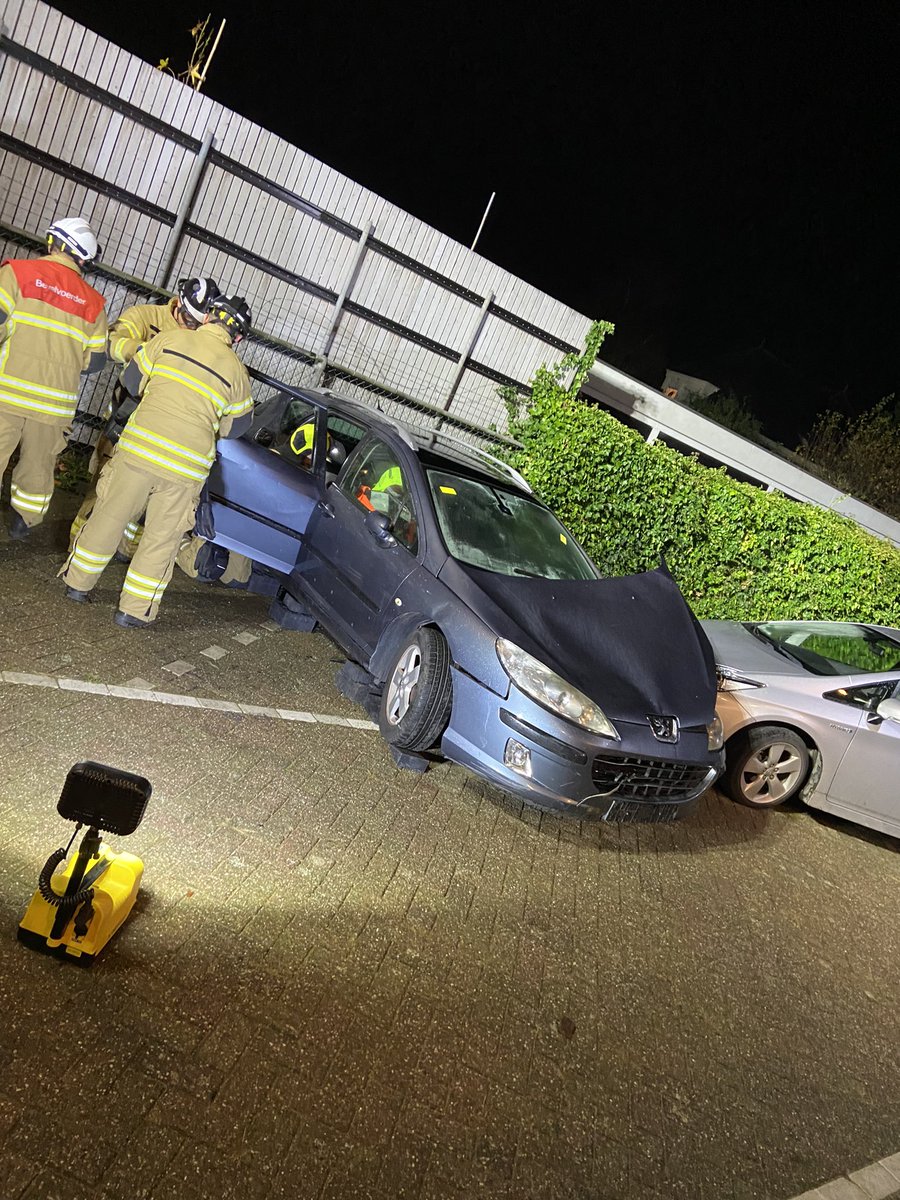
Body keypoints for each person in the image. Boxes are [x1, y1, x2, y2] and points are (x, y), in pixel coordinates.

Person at [59, 294, 254, 627]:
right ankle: (132, 611)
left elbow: (132, 381)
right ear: (237, 338)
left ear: (207, 318)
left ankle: (77, 584)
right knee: (162, 539)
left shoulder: (170, 338)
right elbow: (236, 427)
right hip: (185, 468)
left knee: (109, 517)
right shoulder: (237, 372)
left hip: (140, 450)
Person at [69, 276, 219, 558]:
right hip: (126, 421)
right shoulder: (147, 316)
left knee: (148, 500)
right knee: (104, 490)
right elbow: (112, 341)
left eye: (198, 322)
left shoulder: (203, 338)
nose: (190, 324)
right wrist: (145, 352)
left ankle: (125, 549)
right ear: (178, 303)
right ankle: (79, 545)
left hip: (165, 431)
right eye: (187, 317)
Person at [0, 216, 107, 539]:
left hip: (7, 392)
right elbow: (95, 362)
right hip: (54, 406)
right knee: (38, 466)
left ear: (53, 243)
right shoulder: (94, 302)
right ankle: (24, 521)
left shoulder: (18, 273)